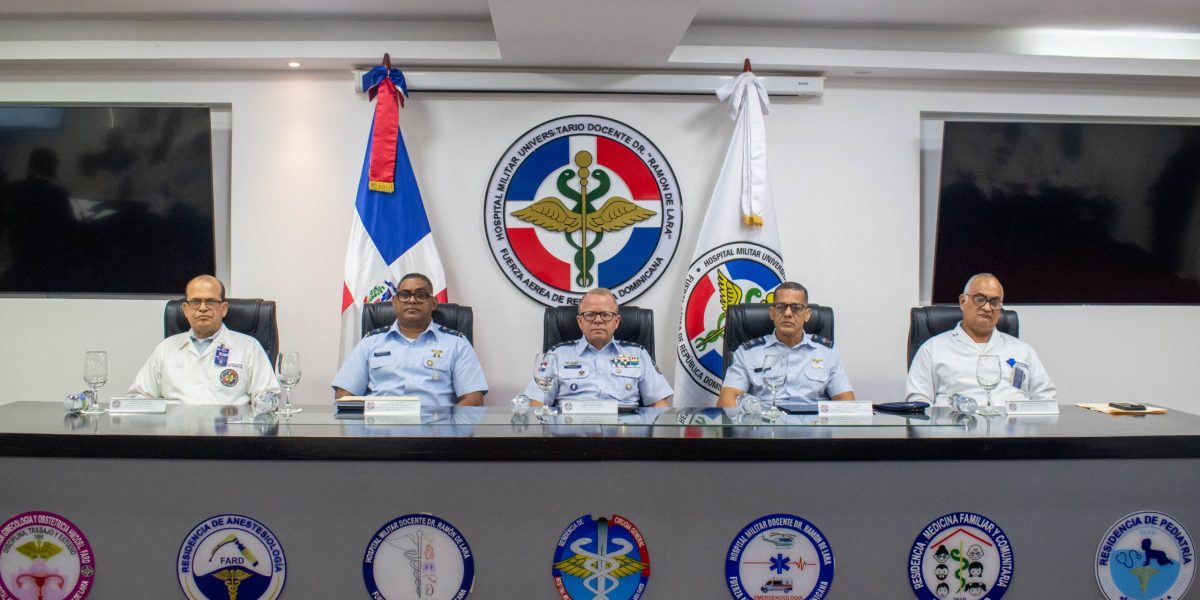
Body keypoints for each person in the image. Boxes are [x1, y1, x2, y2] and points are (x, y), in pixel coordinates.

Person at [332, 273, 486, 406]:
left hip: (437, 431)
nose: (412, 300)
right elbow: (345, 395)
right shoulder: (370, 342)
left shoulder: (457, 344)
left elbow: (473, 399)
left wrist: (448, 429)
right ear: (394, 302)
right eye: (405, 295)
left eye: (421, 295)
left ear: (433, 303)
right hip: (379, 432)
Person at [905, 273, 1056, 406]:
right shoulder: (933, 349)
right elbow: (918, 403)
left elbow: (1046, 398)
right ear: (963, 301)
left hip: (1013, 433)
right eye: (980, 299)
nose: (987, 308)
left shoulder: (1022, 350)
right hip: (955, 433)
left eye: (995, 302)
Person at [128, 275, 279, 404]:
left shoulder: (249, 347)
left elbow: (269, 396)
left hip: (230, 433)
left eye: (211, 301)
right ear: (185, 309)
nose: (202, 308)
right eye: (195, 302)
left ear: (224, 308)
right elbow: (138, 396)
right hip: (177, 433)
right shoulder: (165, 349)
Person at [524, 288, 671, 408]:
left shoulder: (638, 354)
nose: (598, 320)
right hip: (570, 434)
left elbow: (658, 402)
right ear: (580, 321)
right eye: (590, 314)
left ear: (617, 321)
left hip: (626, 434)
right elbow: (537, 402)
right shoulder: (556, 355)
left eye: (606, 314)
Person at [718, 281, 854, 409]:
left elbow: (845, 401)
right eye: (781, 307)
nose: (788, 313)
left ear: (807, 314)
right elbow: (727, 399)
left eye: (796, 308)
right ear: (772, 313)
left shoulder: (827, 352)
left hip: (814, 429)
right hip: (765, 428)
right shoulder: (748, 353)